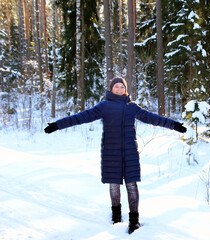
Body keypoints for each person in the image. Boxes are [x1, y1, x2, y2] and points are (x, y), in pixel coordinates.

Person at [44, 77, 186, 234]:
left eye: (122, 87)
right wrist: (57, 125)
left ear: (125, 89)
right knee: (114, 184)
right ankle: (116, 217)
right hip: (111, 151)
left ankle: (134, 220)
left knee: (132, 184)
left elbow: (152, 118)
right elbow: (81, 117)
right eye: (116, 87)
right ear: (111, 89)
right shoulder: (104, 106)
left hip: (130, 151)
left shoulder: (132, 107)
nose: (119, 89)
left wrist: (174, 125)